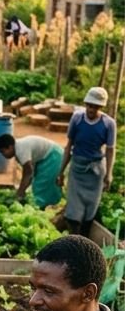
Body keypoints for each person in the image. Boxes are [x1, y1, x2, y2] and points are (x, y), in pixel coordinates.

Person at [57, 86, 117, 237]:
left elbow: (110, 150)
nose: (91, 109)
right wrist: (61, 172)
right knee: (73, 211)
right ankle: (74, 239)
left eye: (95, 107)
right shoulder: (77, 119)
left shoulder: (109, 124)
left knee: (90, 209)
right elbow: (68, 146)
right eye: (89, 106)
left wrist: (108, 174)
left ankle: (84, 240)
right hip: (77, 168)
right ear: (85, 104)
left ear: (101, 107)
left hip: (96, 170)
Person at [0, 132, 64, 209]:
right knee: (40, 183)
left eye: (3, 151)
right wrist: (22, 189)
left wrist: (20, 192)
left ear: (10, 147)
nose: (3, 155)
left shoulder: (20, 149)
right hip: (47, 157)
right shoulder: (18, 148)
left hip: (53, 156)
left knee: (42, 184)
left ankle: (42, 208)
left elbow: (28, 173)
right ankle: (50, 205)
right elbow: (30, 174)